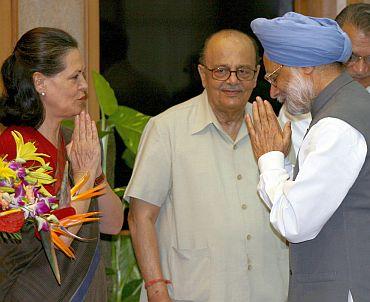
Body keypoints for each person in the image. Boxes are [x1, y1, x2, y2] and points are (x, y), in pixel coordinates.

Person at [125, 29, 288, 302]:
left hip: (270, 289)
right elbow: (140, 217)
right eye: (221, 70)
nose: (232, 81)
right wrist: (156, 289)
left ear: (257, 75)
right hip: (192, 291)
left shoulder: (274, 128)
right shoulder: (167, 129)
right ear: (203, 74)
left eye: (243, 71)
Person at [248, 12, 370, 302]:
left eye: (275, 76)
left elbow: (295, 222)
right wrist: (282, 164)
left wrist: (270, 161)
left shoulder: (336, 125)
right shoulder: (344, 108)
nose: (274, 90)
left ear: (305, 67)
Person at [0, 27, 123, 301]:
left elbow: (114, 224)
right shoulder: (15, 148)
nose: (84, 86)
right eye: (74, 77)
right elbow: (57, 243)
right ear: (40, 83)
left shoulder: (74, 142)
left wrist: (96, 174)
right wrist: (84, 178)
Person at [279, 3, 370, 159]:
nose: (361, 69)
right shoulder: (302, 103)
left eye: (369, 58)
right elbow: (302, 178)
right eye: (352, 57)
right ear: (334, 49)